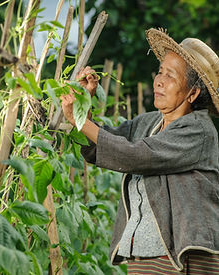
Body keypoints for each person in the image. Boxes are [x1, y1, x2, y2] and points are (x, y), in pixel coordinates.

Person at [61, 28, 219, 274]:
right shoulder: (148, 123)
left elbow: (135, 155)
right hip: (142, 254)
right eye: (160, 71)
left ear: (193, 92)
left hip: (183, 257)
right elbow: (101, 144)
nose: (159, 80)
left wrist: (81, 122)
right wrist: (83, 107)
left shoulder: (198, 130)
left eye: (171, 76)